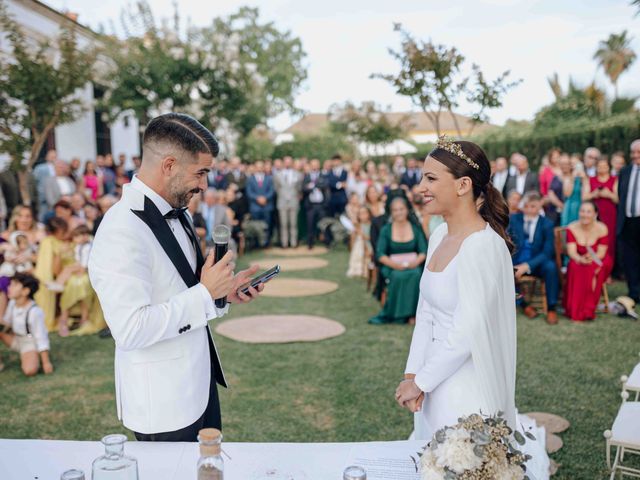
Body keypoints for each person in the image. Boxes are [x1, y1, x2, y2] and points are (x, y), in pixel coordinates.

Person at [88, 113, 263, 442]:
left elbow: (188, 289)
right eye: (201, 172)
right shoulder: (120, 230)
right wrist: (205, 294)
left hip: (199, 383)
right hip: (164, 402)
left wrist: (225, 292)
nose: (204, 185)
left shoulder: (179, 212)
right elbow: (130, 329)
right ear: (168, 165)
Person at [393, 137, 549, 478]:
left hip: (466, 387)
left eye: (431, 179)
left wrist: (422, 381)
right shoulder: (437, 237)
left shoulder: (483, 246)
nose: (421, 187)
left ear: (463, 185)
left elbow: (467, 331)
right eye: (423, 178)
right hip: (433, 380)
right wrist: (412, 374)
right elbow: (427, 315)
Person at [368, 196, 427, 325]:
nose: (399, 212)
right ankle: (396, 313)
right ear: (391, 212)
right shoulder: (386, 230)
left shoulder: (415, 228)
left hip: (413, 266)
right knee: (397, 276)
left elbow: (423, 251)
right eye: (395, 210)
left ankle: (413, 314)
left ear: (407, 210)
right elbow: (380, 254)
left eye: (401, 209)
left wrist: (415, 263)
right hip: (391, 267)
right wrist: (395, 265)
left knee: (416, 274)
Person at [508, 192, 559, 324]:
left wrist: (526, 266)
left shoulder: (547, 223)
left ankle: (551, 308)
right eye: (526, 206)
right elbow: (506, 242)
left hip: (536, 262)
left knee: (551, 267)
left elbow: (548, 251)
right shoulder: (514, 219)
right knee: (505, 270)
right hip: (517, 260)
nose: (529, 209)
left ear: (539, 207)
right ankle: (523, 304)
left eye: (533, 206)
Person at [563, 201, 613, 321]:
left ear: (595, 214)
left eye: (588, 211)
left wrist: (590, 259)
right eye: (582, 211)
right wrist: (580, 259)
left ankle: (588, 309)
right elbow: (572, 252)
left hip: (599, 259)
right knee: (575, 266)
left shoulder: (602, 228)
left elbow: (602, 253)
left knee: (591, 269)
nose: (585, 214)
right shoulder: (572, 227)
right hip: (578, 258)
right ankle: (574, 309)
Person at [0, 273, 52, 376]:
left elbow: (41, 337)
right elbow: (7, 323)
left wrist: (46, 363)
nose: (9, 288)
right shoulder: (12, 304)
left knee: (29, 371)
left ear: (25, 291)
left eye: (14, 285)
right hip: (16, 339)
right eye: (10, 284)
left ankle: (33, 356)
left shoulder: (35, 312)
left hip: (29, 343)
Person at [616, 139, 640, 302]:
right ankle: (634, 293)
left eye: (638, 152)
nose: (635, 155)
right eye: (633, 152)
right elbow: (620, 195)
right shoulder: (625, 171)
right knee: (630, 260)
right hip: (627, 222)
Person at [583, 157, 618, 263]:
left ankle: (610, 268)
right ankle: (595, 264)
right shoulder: (590, 179)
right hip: (594, 214)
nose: (602, 169)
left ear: (609, 167)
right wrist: (594, 194)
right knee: (595, 238)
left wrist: (609, 194)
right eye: (599, 166)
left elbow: (618, 199)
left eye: (605, 166)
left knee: (610, 240)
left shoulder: (615, 179)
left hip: (610, 214)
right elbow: (584, 197)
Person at [273, 156, 303, 248]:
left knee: (293, 223)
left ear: (292, 163)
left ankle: (293, 243)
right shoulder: (277, 174)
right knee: (283, 224)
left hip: (293, 201)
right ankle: (284, 243)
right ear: (283, 163)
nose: (287, 163)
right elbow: (276, 188)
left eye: (289, 162)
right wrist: (283, 195)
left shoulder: (298, 174)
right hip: (282, 202)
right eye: (286, 162)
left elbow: (299, 188)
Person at [246, 161, 275, 247]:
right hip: (255, 207)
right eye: (257, 167)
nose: (259, 168)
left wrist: (265, 198)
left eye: (261, 166)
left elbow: (272, 191)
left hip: (267, 206)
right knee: (256, 226)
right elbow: (249, 192)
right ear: (255, 168)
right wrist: (257, 198)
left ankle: (267, 243)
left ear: (263, 168)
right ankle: (257, 244)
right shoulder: (250, 179)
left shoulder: (269, 178)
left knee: (267, 225)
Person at [302, 159, 328, 249]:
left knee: (323, 225)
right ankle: (310, 243)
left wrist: (313, 185)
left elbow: (325, 185)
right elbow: (304, 188)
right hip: (311, 205)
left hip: (321, 205)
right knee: (310, 225)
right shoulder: (307, 176)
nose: (314, 166)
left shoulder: (323, 175)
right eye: (312, 165)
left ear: (318, 165)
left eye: (316, 164)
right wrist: (313, 187)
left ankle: (326, 242)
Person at [346, 206, 372, 278]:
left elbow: (370, 237)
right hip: (360, 247)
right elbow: (353, 240)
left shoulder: (372, 225)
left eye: (365, 213)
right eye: (360, 214)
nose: (363, 216)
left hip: (369, 245)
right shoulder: (358, 226)